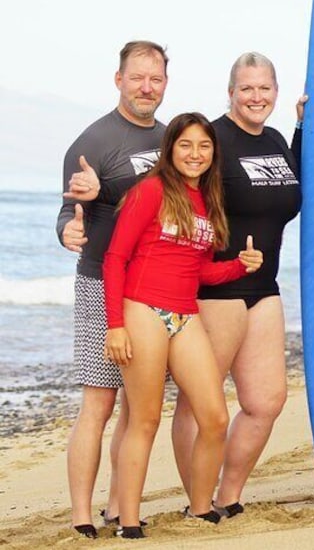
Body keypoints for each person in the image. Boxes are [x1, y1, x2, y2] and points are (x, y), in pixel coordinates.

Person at [102, 112, 264, 538]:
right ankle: (129, 522)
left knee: (214, 416)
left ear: (213, 154)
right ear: (170, 149)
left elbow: (199, 272)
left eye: (204, 146)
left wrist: (239, 268)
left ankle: (199, 509)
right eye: (186, 145)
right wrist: (115, 326)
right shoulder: (150, 191)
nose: (195, 154)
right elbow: (115, 259)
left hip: (184, 313)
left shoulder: (206, 202)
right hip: (142, 311)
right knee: (145, 419)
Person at [170, 52, 303, 518]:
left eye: (265, 88)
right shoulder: (213, 139)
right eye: (246, 88)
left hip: (263, 286)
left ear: (277, 93)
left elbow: (296, 186)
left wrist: (303, 131)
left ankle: (227, 495)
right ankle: (197, 503)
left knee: (266, 401)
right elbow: (173, 191)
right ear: (230, 93)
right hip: (214, 290)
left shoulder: (276, 140)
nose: (256, 97)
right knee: (199, 404)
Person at [55, 40, 168, 538]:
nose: (147, 87)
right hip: (102, 283)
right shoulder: (94, 141)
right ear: (118, 79)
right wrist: (68, 230)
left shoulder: (170, 138)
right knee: (99, 403)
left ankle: (120, 504)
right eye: (138, 77)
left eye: (156, 78)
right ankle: (81, 515)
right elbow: (68, 209)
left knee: (137, 403)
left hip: (152, 288)